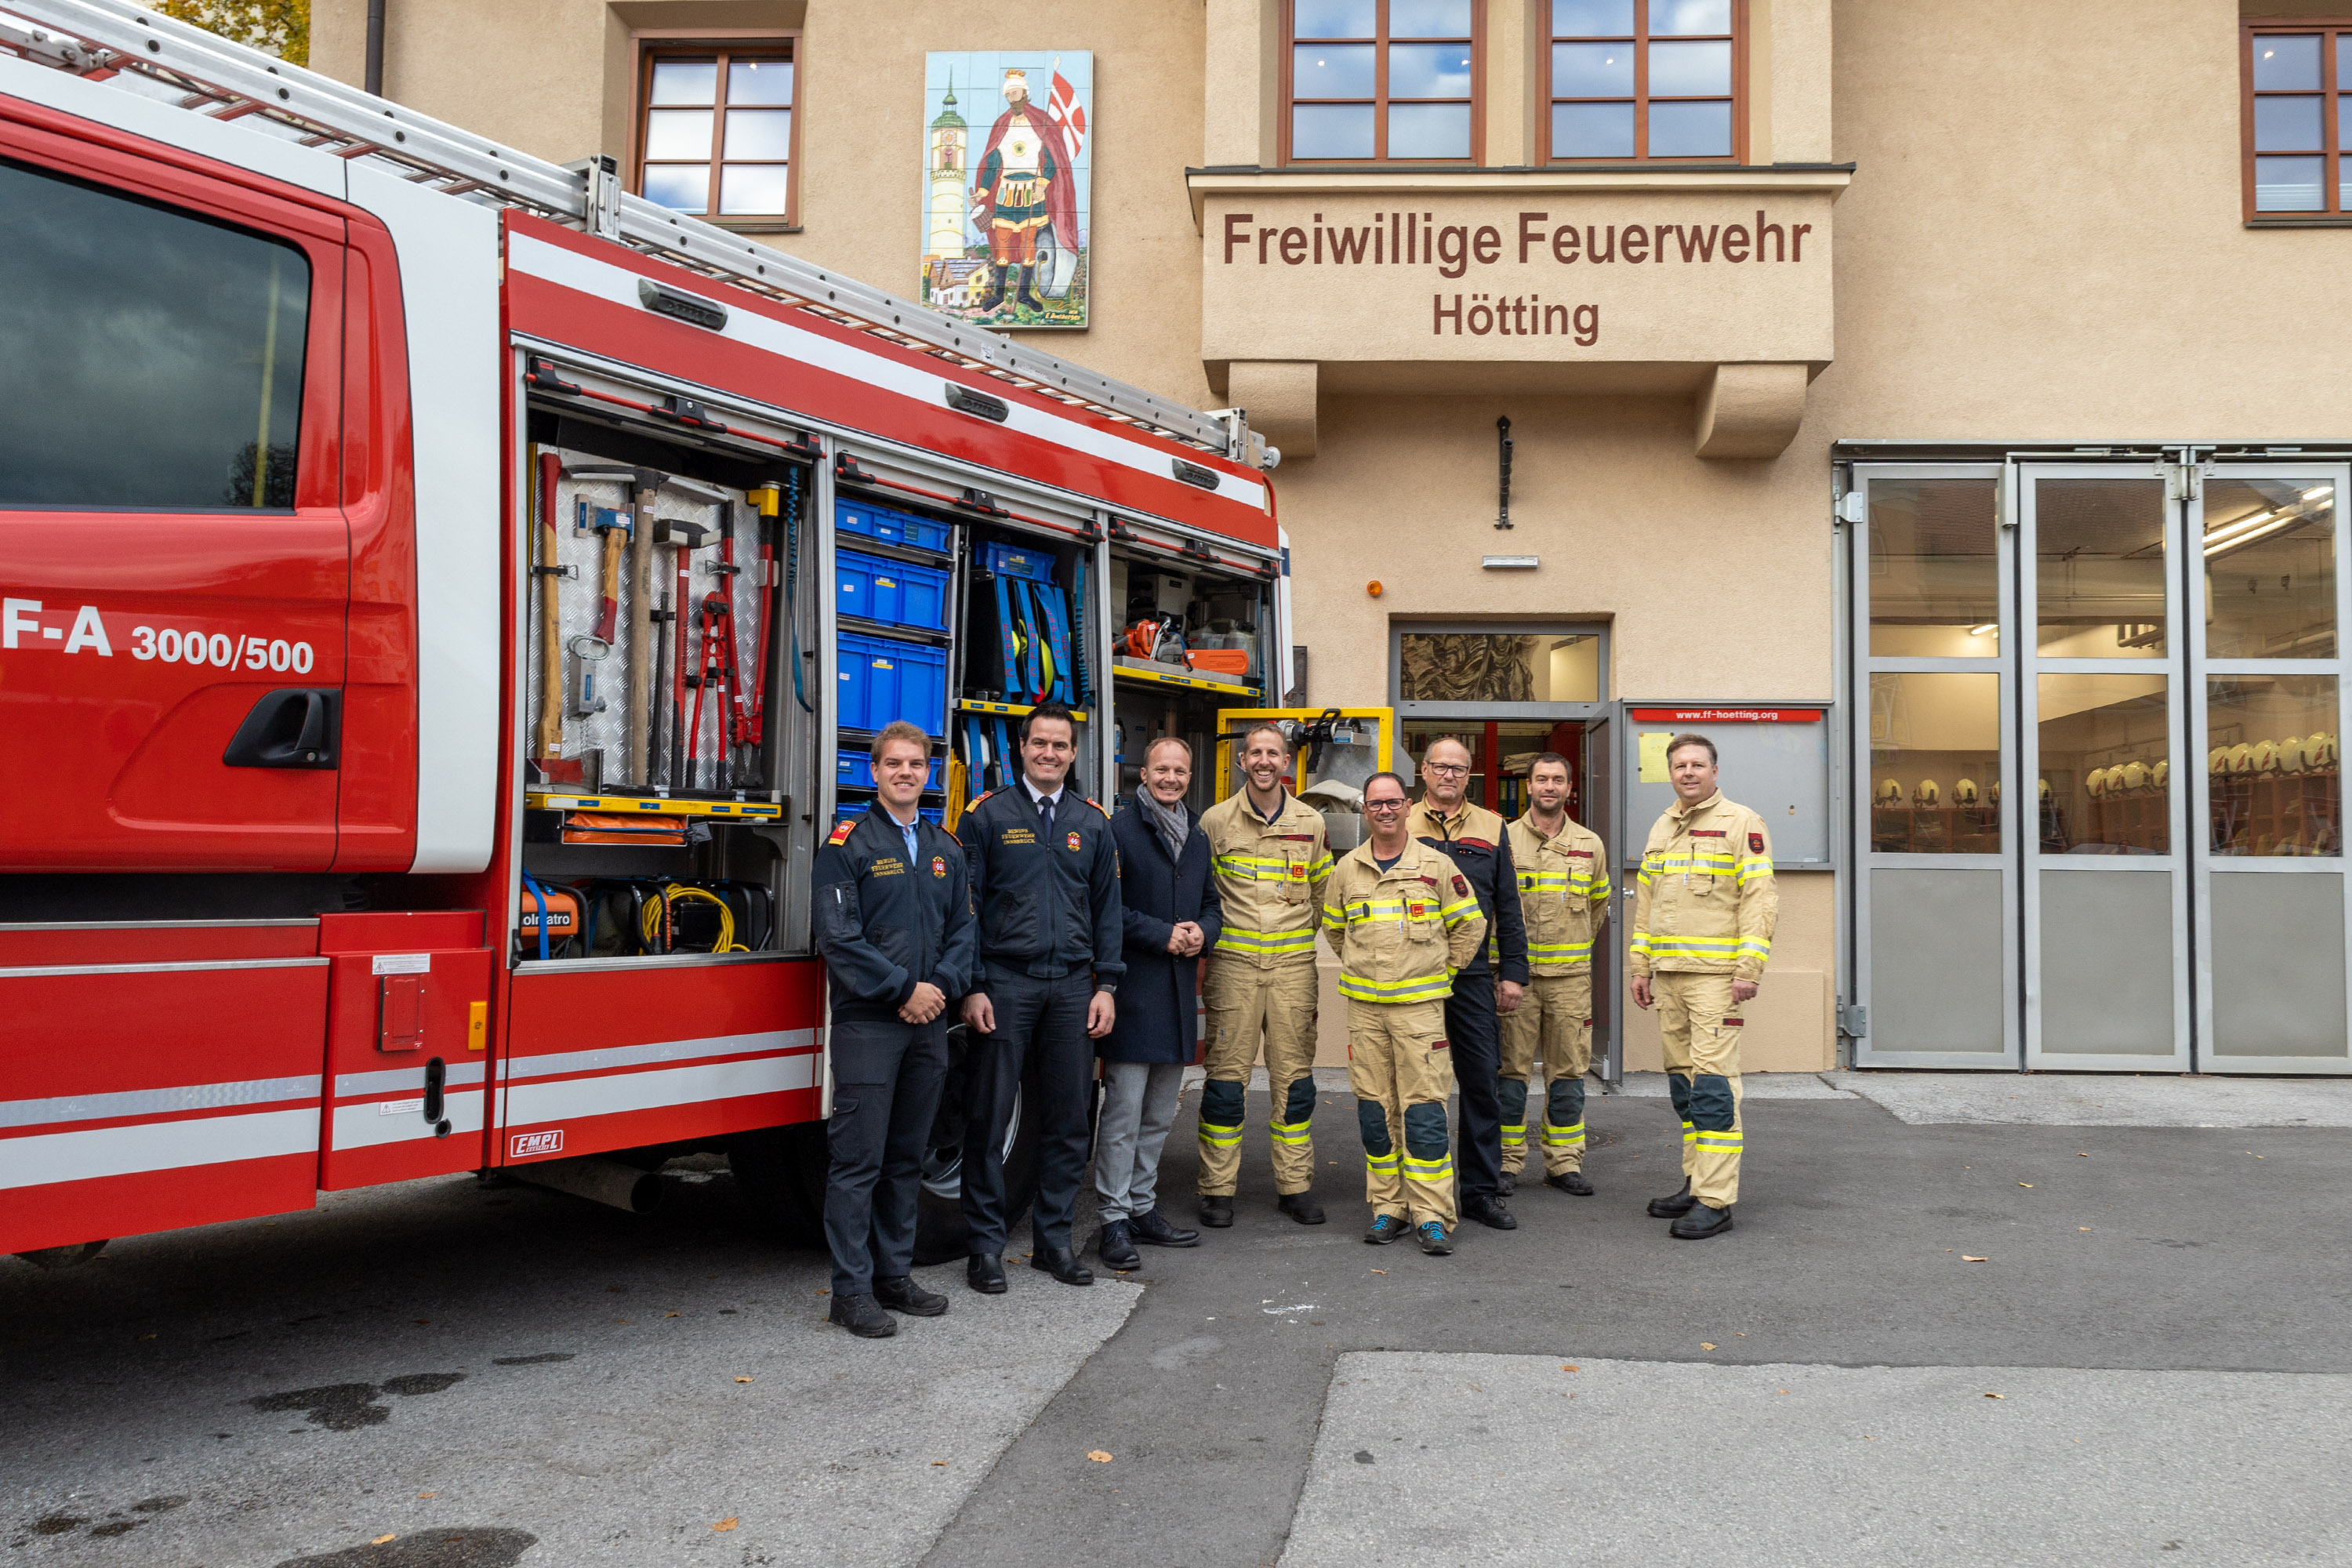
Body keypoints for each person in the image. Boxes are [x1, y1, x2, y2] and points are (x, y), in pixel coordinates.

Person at [811, 722, 976, 1338]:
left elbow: (964, 931)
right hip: (870, 1026)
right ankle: (850, 1293)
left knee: (907, 1159)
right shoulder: (846, 844)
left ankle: (893, 1276)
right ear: (873, 771)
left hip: (928, 1026)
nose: (906, 773)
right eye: (894, 764)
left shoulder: (944, 846)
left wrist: (938, 991)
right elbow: (838, 938)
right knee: (858, 1163)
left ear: (928, 773)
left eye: (916, 764)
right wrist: (903, 989)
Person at [956, 701, 1123, 1290]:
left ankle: (1053, 1242)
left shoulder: (1092, 820)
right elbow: (965, 908)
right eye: (1039, 744)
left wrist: (1106, 985)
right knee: (990, 1115)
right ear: (1021, 749)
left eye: (1060, 745)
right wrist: (972, 985)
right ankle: (984, 1248)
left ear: (1073, 754)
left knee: (1069, 1119)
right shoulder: (986, 816)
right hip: (1006, 982)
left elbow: (1107, 912)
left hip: (1074, 986)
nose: (1049, 753)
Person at [1323, 771, 1486, 1257]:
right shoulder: (1347, 871)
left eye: (1394, 802)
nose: (1386, 811)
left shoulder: (1436, 868)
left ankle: (1432, 1215)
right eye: (1376, 804)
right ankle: (1387, 1207)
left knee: (1424, 1114)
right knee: (1376, 1112)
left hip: (1419, 1013)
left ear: (1407, 805)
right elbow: (1336, 932)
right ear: (1366, 811)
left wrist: (1441, 971)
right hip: (1366, 1012)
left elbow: (1470, 926)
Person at [1628, 733, 1778, 1240]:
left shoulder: (1742, 823)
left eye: (1697, 764)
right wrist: (1640, 966)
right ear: (1670, 772)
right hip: (1670, 976)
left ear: (1715, 771)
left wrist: (1748, 969)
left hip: (1717, 982)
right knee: (1685, 1088)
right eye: (1679, 765)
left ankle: (1717, 1201)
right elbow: (1647, 904)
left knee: (1713, 1089)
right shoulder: (1663, 826)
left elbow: (1760, 899)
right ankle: (1696, 1183)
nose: (1688, 772)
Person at [1193, 721, 1334, 1228]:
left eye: (1274, 752)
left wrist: (1292, 943)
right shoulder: (1215, 822)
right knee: (1226, 1084)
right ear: (1243, 761)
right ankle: (1216, 1190)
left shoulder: (1310, 823)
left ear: (1287, 761)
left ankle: (1294, 1187)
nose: (1265, 761)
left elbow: (1323, 897)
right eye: (1256, 752)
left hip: (1293, 970)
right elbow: (1203, 896)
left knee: (1295, 1084)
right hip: (1233, 970)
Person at [1092, 736, 1222, 1271]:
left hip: (1175, 999)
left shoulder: (1196, 836)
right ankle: (1113, 1219)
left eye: (1181, 771)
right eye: (1161, 769)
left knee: (1158, 1116)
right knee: (1122, 1114)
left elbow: (1214, 903)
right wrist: (1163, 934)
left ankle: (1144, 1208)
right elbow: (1105, 910)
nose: (1171, 779)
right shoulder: (1118, 832)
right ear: (1142, 774)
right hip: (1133, 992)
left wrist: (1201, 933)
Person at [1404, 736, 1530, 1231]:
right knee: (1416, 1084)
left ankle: (1480, 1190)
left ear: (1469, 775)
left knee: (1481, 1080)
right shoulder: (1402, 822)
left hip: (1474, 975)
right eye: (1441, 767)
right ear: (1424, 771)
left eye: (1459, 770)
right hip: (1415, 975)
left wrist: (1514, 973)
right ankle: (1410, 1192)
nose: (1449, 776)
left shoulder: (1492, 827)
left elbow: (1508, 905)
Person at [1499, 753, 1610, 1196]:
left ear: (1569, 788)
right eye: (1542, 779)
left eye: (1558, 780)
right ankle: (1506, 1164)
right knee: (1510, 1076)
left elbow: (1598, 906)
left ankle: (1564, 1164)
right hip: (1516, 981)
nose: (1550, 786)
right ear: (1529, 786)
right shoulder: (1503, 840)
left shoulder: (1590, 844)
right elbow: (1494, 910)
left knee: (1568, 1076)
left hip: (1569, 982)